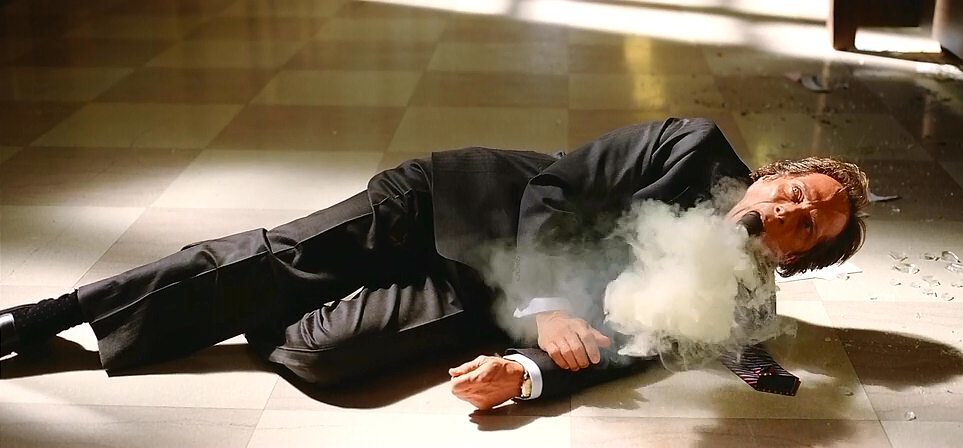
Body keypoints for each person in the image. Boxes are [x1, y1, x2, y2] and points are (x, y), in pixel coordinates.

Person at [0, 118, 869, 410]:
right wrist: (547, 306)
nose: (788, 215)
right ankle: (46, 316)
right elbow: (556, 189)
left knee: (319, 359)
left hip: (492, 298)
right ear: (774, 174)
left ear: (796, 259)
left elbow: (635, 350)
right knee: (278, 262)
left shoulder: (739, 298)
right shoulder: (691, 145)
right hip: (457, 204)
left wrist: (528, 370)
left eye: (807, 229)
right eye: (796, 193)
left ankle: (269, 293)